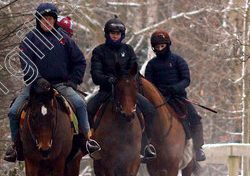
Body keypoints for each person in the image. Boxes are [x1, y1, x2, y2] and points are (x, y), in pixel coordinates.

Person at [4, 3, 101, 162]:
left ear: (55, 21)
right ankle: (15, 146)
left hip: (60, 85)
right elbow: (25, 61)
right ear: (38, 21)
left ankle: (88, 140)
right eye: (44, 19)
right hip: (35, 86)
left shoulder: (64, 40)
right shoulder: (30, 38)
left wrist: (74, 80)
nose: (47, 22)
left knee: (80, 103)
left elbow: (80, 61)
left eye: (50, 19)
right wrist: (37, 79)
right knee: (14, 111)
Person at [88, 17, 157, 161]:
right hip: (107, 90)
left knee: (150, 109)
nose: (115, 35)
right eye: (112, 33)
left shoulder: (128, 50)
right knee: (88, 108)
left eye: (118, 33)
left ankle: (145, 143)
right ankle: (91, 141)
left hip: (127, 92)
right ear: (107, 34)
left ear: (122, 35)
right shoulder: (99, 51)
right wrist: (107, 79)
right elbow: (95, 74)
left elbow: (134, 70)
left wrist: (125, 82)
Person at [144, 30, 206, 162]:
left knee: (195, 118)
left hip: (177, 97)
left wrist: (174, 88)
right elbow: (148, 85)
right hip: (158, 100)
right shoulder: (151, 65)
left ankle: (198, 149)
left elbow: (186, 79)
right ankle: (145, 148)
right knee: (143, 118)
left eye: (162, 46)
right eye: (157, 47)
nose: (160, 49)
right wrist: (158, 92)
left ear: (168, 45)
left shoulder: (178, 60)